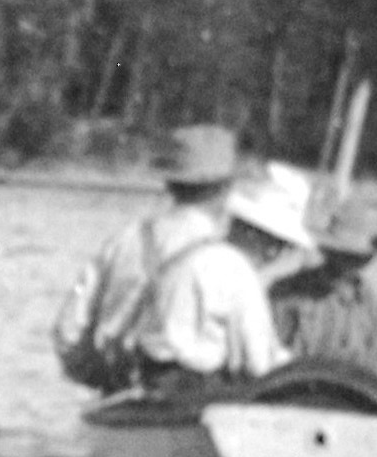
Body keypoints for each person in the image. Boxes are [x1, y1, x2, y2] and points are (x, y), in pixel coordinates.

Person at [50, 122, 242, 392]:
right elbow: (260, 360)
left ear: (169, 182)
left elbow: (68, 331)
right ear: (227, 188)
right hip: (197, 402)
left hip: (120, 398)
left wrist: (92, 375)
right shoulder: (230, 261)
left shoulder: (123, 241)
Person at [123, 169, 313, 391]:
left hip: (151, 373)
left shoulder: (191, 254)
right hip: (194, 386)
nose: (275, 253)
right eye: (278, 244)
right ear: (258, 235)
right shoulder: (238, 272)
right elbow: (260, 362)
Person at [268, 188, 377, 380]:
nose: (346, 265)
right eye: (341, 256)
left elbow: (376, 365)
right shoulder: (292, 293)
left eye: (356, 259)